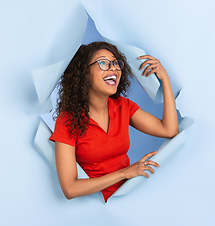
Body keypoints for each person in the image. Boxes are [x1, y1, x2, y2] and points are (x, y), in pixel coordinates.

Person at [49, 41, 178, 202]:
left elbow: (169, 130)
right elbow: (70, 189)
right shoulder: (68, 121)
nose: (114, 68)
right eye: (103, 63)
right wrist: (124, 173)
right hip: (97, 204)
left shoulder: (123, 106)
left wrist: (165, 80)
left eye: (116, 63)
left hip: (132, 193)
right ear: (84, 73)